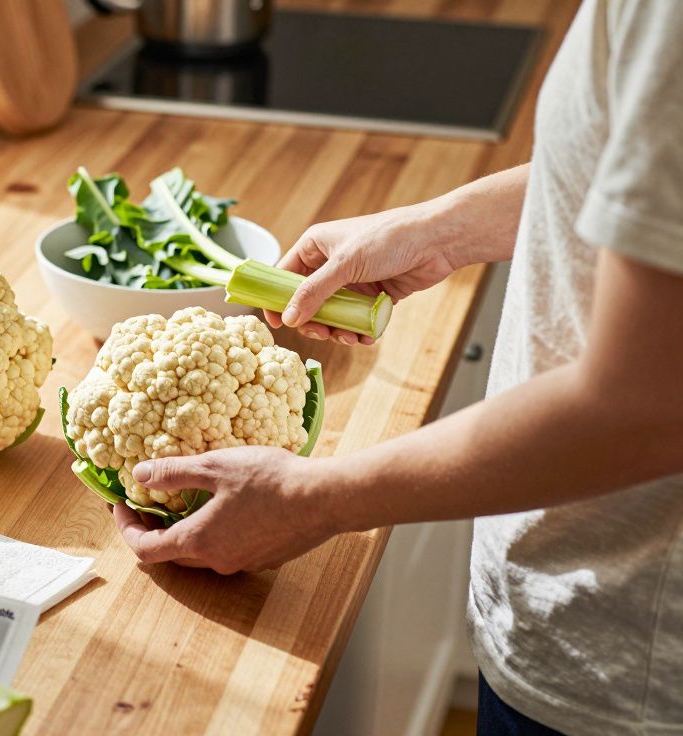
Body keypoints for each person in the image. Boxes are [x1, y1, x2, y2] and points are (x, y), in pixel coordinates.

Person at [112, 1, 683, 734]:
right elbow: (630, 164)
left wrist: (316, 501)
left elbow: (642, 407)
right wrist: (442, 229)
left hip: (624, 667)